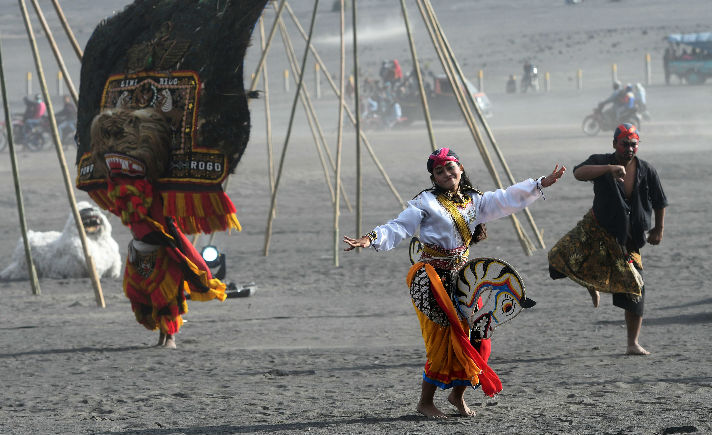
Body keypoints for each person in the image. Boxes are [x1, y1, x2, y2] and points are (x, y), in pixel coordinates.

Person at [344, 148, 566, 418]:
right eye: (439, 171)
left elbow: (506, 198)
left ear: (460, 168)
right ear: (433, 177)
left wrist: (539, 183)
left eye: (450, 168)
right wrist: (371, 238)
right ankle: (425, 402)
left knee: (479, 339)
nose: (446, 174)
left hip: (465, 279)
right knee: (445, 341)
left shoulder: (475, 200)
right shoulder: (425, 202)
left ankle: (456, 395)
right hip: (433, 279)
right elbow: (400, 225)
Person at [548, 123, 667, 356]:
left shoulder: (646, 170)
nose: (629, 148)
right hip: (595, 229)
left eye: (633, 144)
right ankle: (591, 283)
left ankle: (632, 343)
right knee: (557, 258)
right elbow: (578, 173)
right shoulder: (601, 161)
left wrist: (658, 229)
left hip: (628, 241)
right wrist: (608, 169)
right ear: (615, 144)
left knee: (635, 289)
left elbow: (660, 200)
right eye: (625, 143)